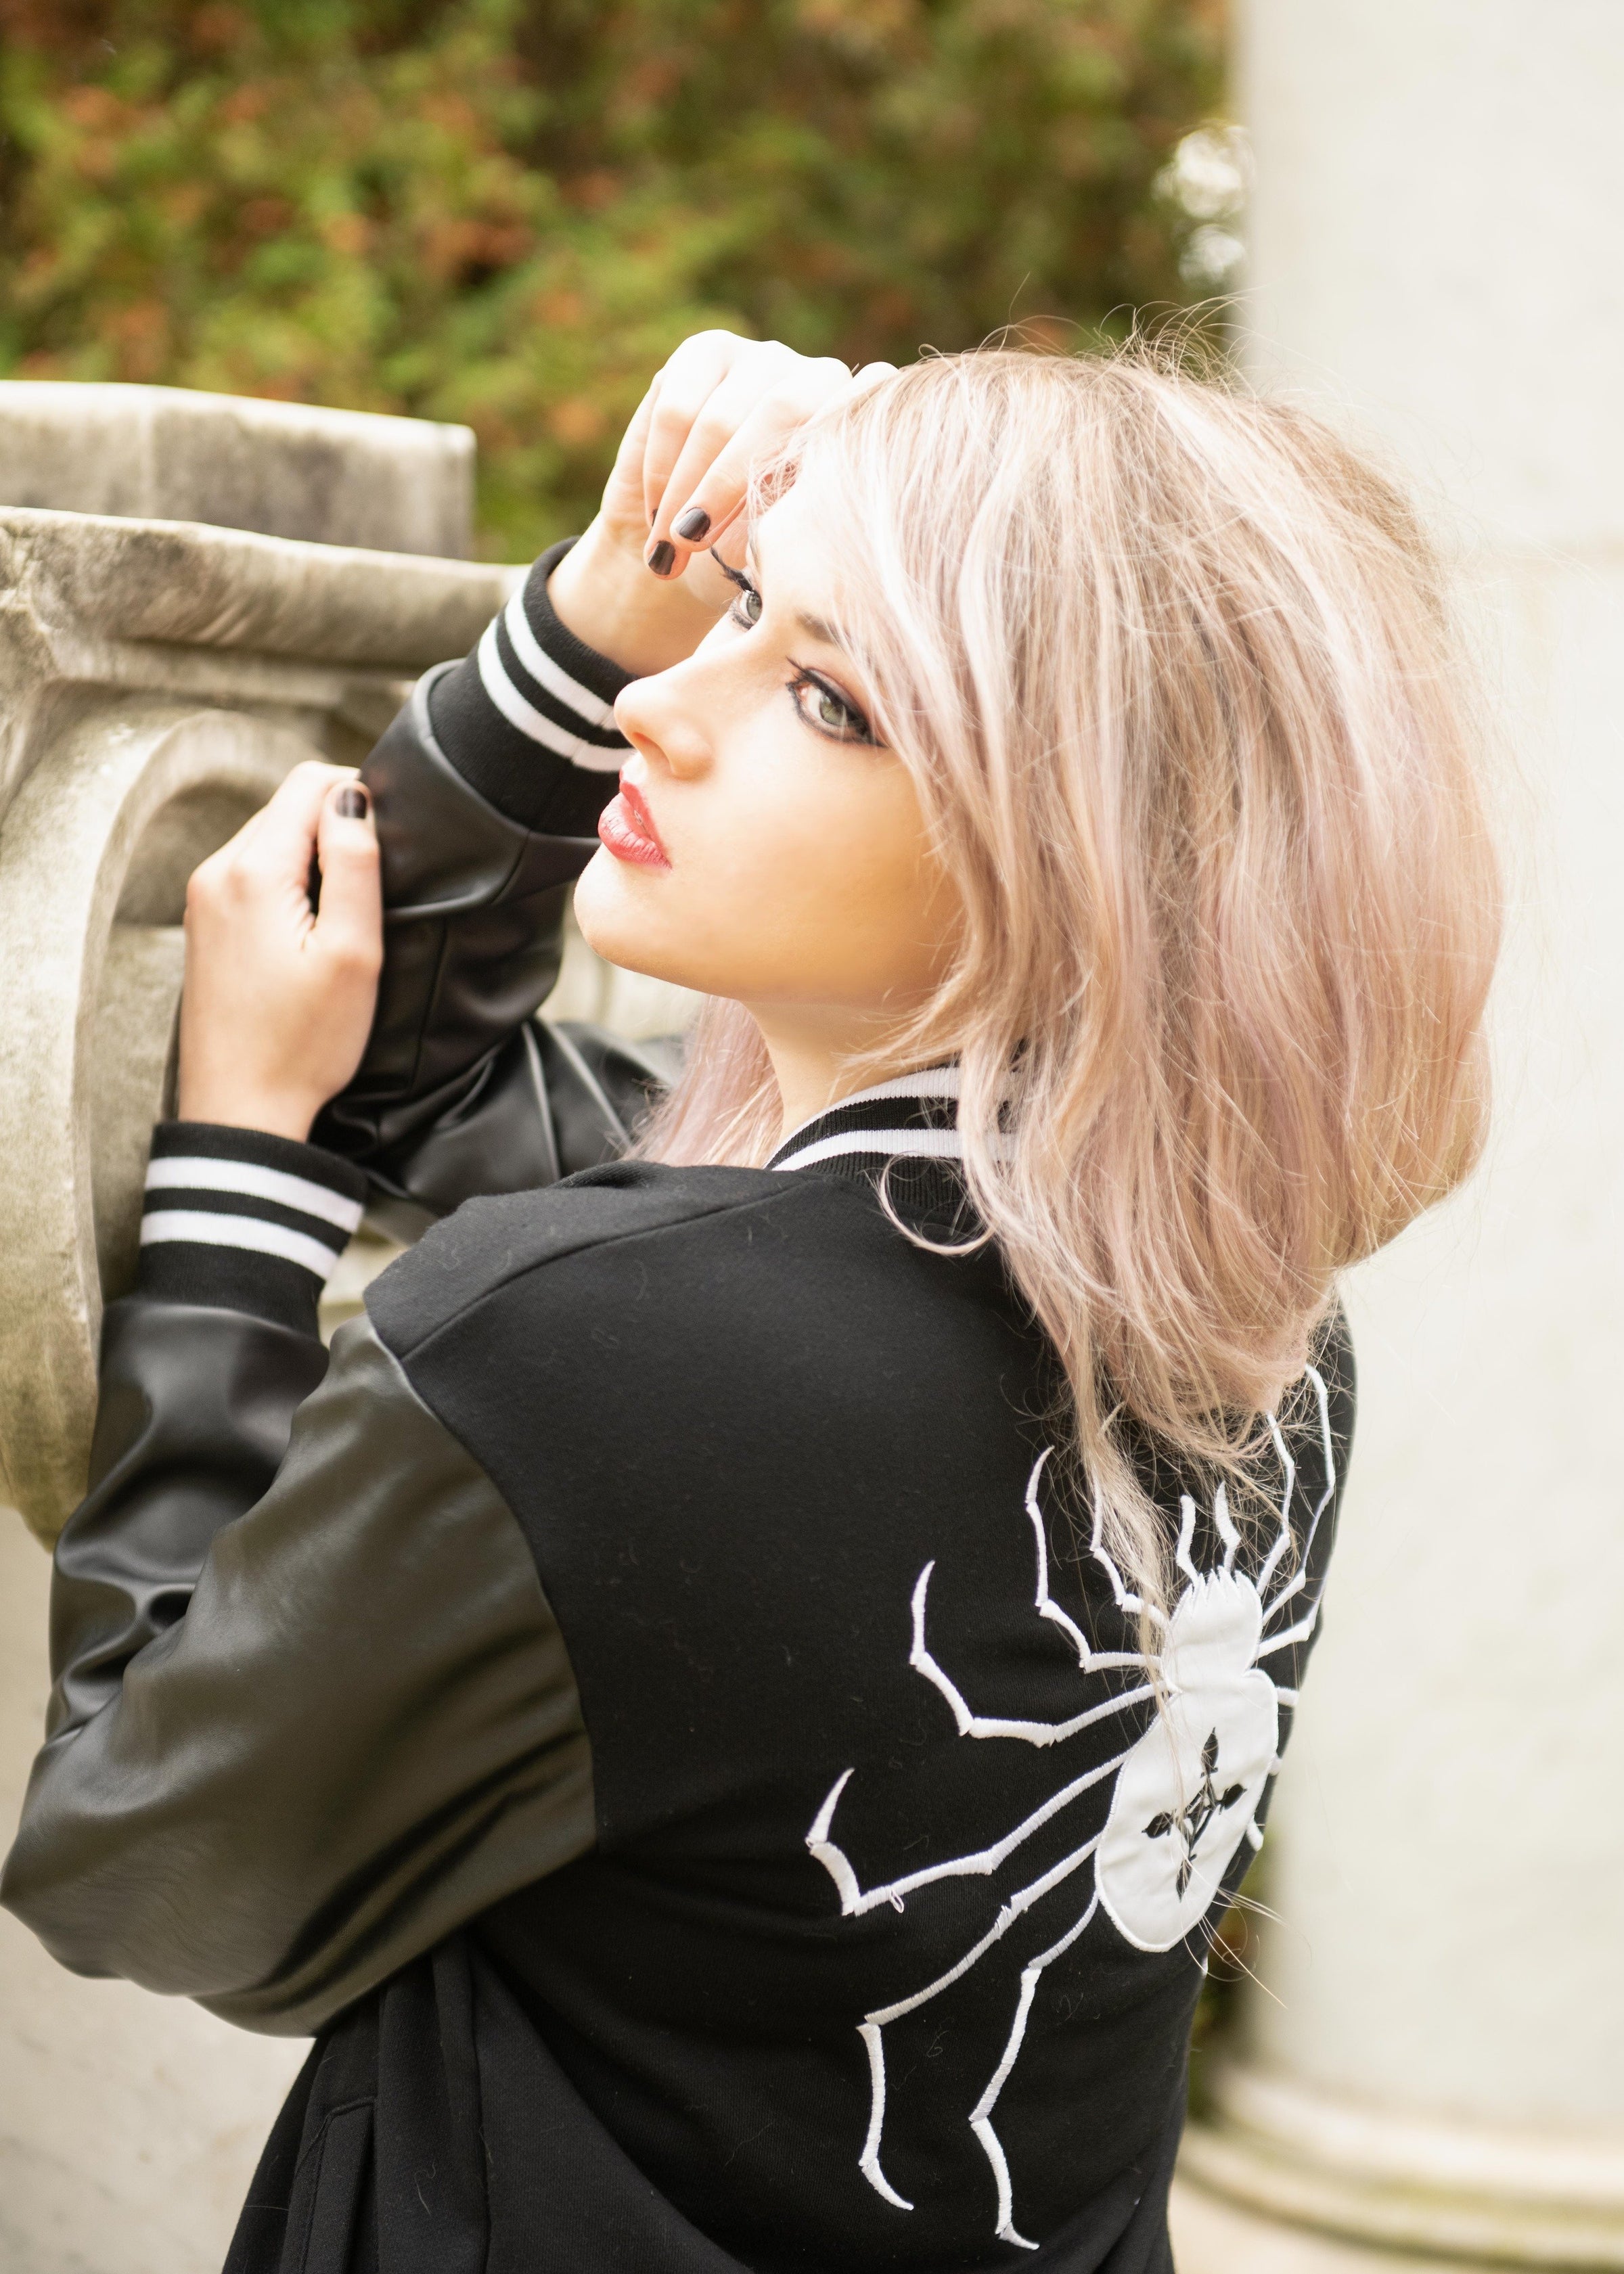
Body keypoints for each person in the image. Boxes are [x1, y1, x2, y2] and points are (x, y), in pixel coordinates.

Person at [1, 334, 1499, 2273]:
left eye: (826, 696)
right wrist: (604, 599)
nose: (661, 705)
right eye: (732, 612)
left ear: (1076, 856)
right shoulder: (1271, 1339)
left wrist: (231, 1168)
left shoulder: (588, 1353)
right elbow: (432, 1084)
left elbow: (136, 1856)